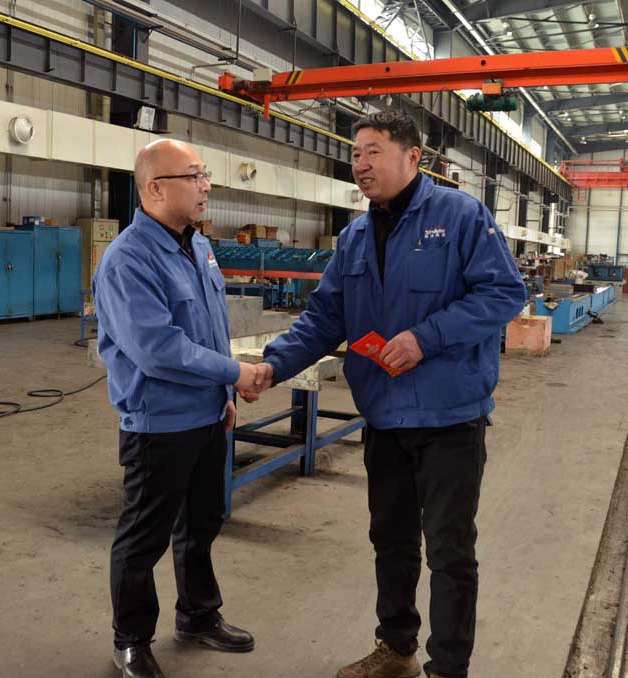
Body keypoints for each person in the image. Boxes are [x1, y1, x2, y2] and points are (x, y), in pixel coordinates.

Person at [247, 110, 526, 678]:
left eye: (373, 151)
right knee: (391, 541)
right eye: (355, 154)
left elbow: (503, 293)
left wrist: (426, 338)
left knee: (449, 549)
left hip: (449, 417)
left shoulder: (460, 216)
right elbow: (324, 318)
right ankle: (396, 650)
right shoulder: (353, 237)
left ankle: (448, 668)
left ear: (413, 156)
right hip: (385, 416)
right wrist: (273, 365)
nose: (360, 165)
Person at [93, 138, 269, 678]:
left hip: (207, 416)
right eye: (194, 176)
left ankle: (197, 615)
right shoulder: (128, 259)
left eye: (205, 174)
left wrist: (223, 397)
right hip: (160, 424)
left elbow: (211, 328)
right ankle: (131, 640)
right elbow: (159, 349)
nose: (206, 186)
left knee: (202, 522)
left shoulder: (198, 246)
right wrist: (234, 373)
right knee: (143, 537)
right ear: (154, 188)